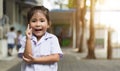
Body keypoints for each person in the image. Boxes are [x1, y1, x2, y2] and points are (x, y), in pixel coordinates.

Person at [18, 6, 63, 71]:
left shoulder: (52, 38)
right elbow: (27, 58)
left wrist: (35, 60)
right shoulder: (25, 39)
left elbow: (56, 57)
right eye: (34, 21)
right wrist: (28, 39)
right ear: (28, 24)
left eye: (42, 21)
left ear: (48, 24)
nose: (38, 24)